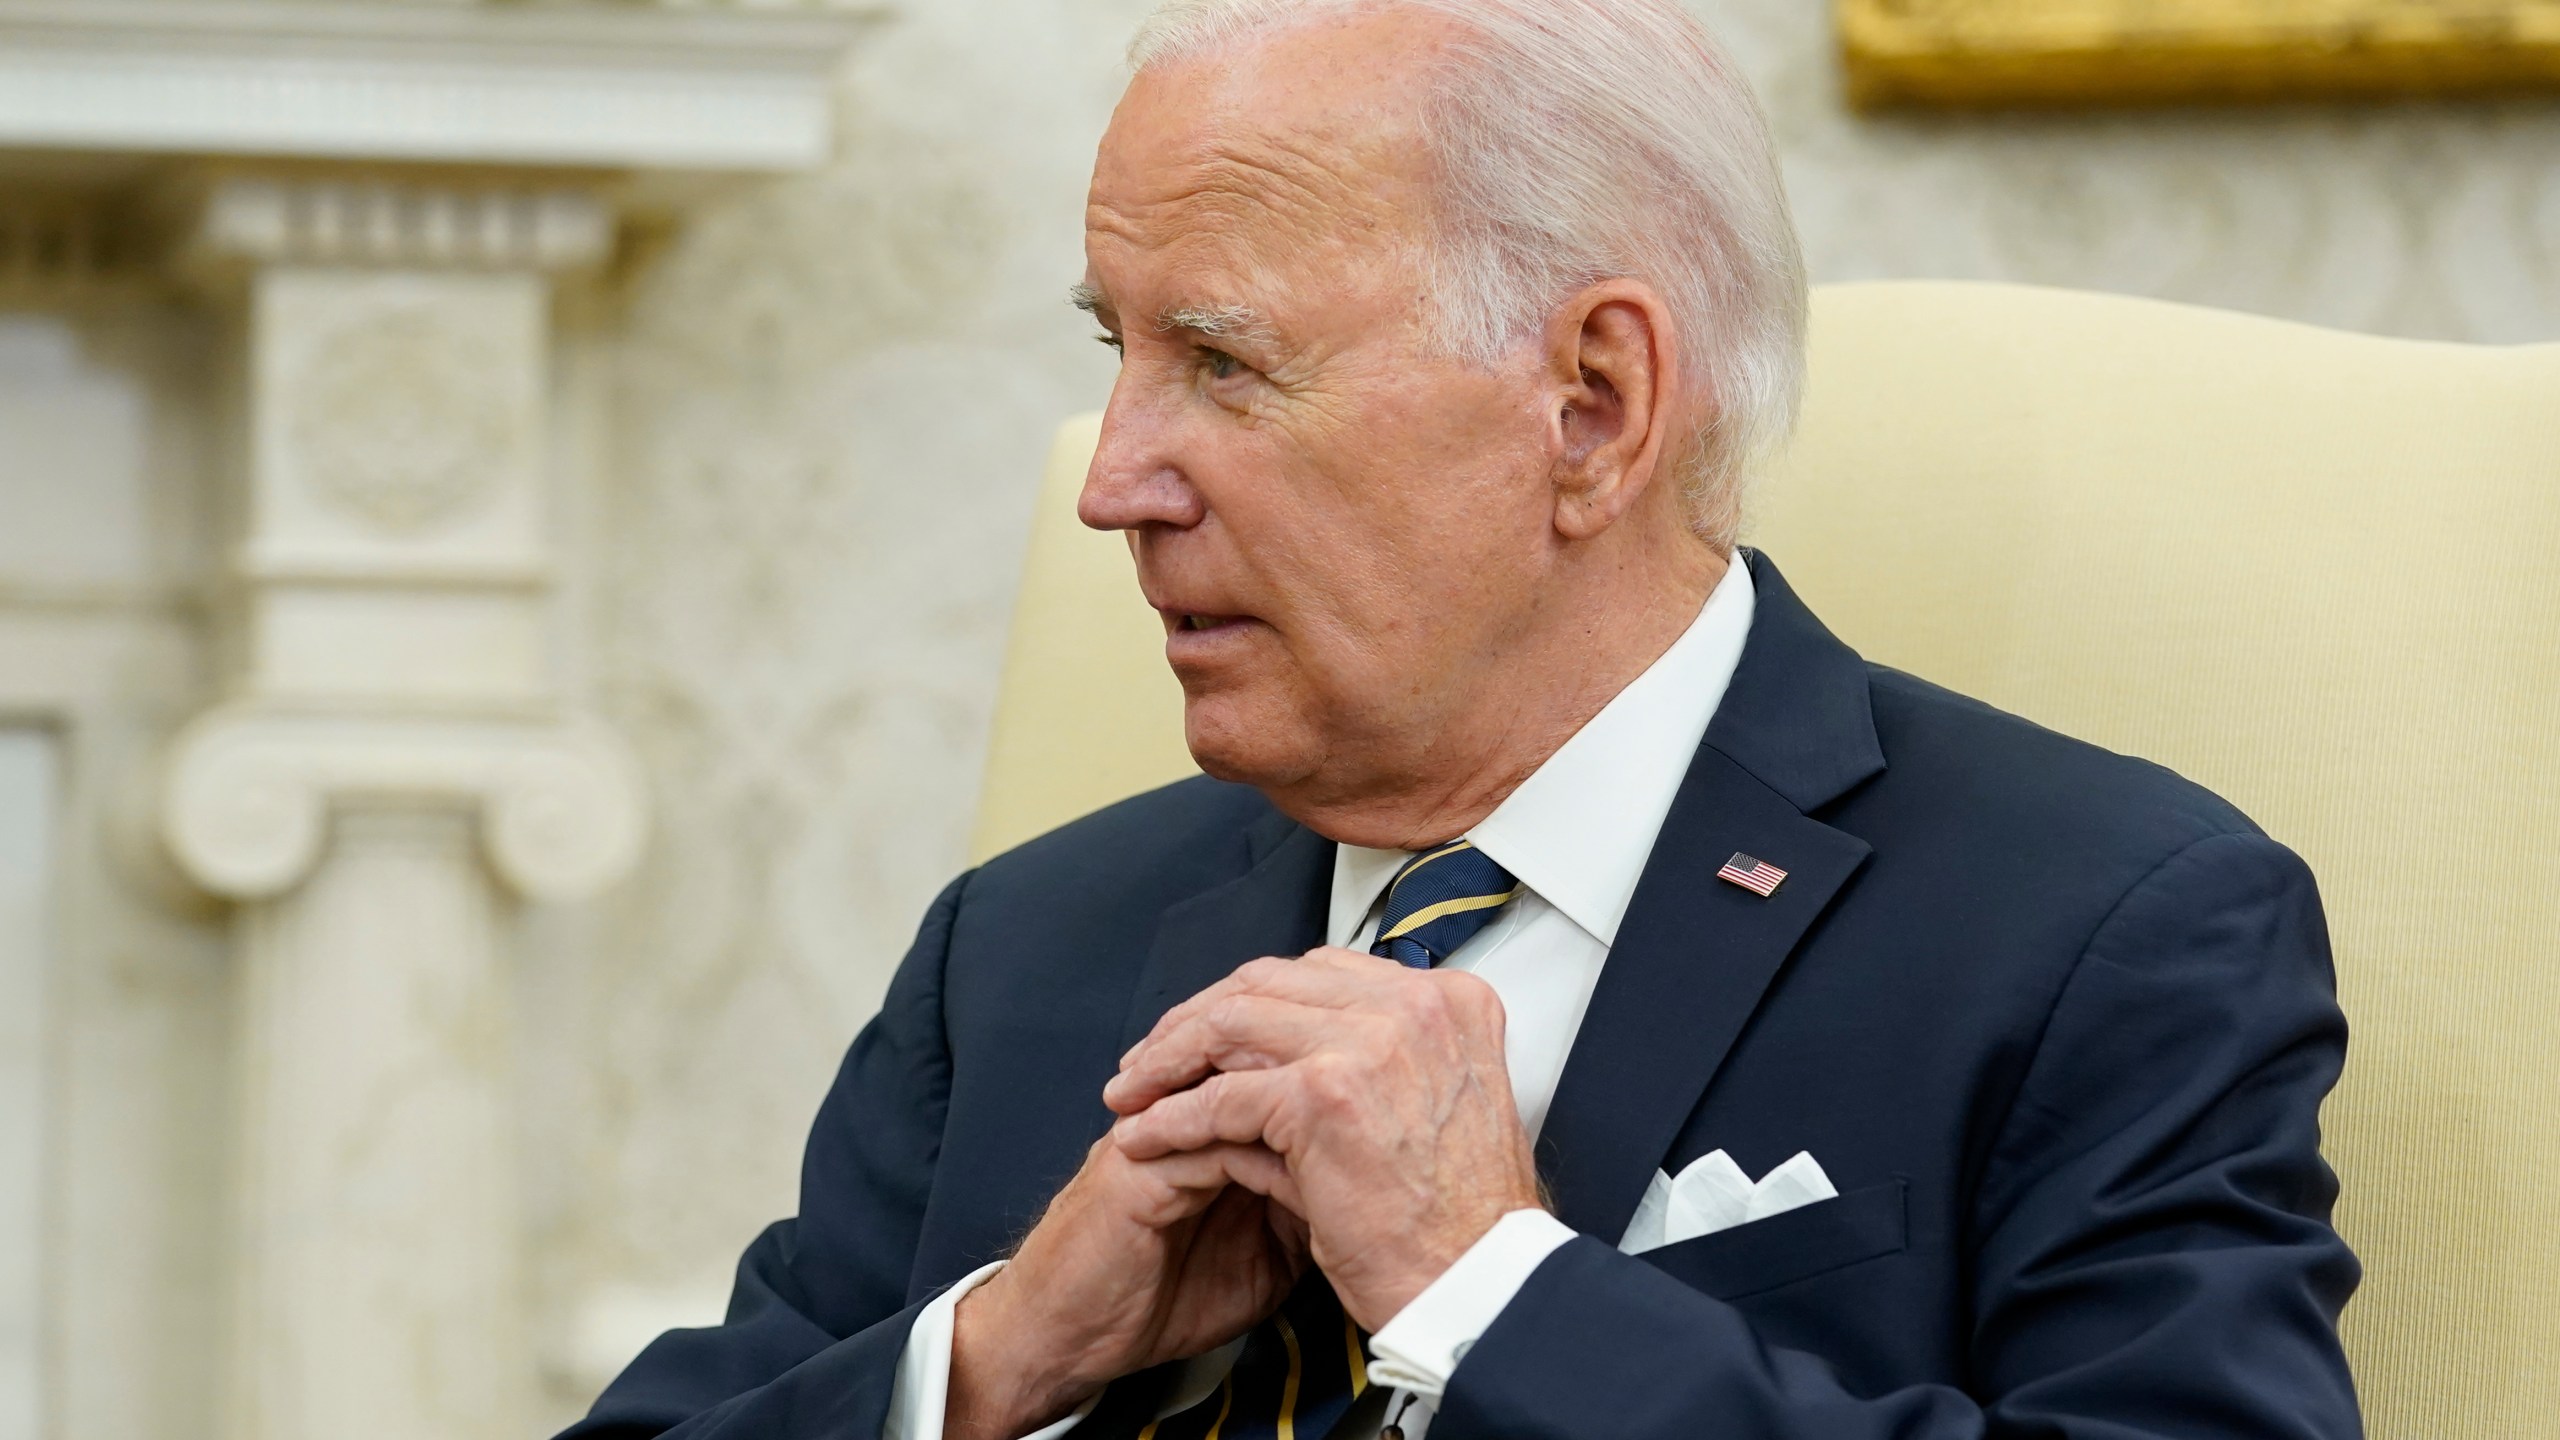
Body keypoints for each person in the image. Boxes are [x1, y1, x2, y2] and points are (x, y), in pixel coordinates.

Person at [560, 1, 2363, 1436]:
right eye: (1120, 353)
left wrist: (1497, 1291)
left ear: (1592, 405)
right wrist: (995, 1362)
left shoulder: (2097, 933)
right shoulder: (1022, 952)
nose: (1114, 483)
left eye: (1226, 363)